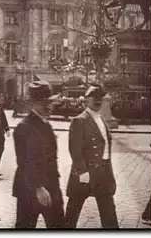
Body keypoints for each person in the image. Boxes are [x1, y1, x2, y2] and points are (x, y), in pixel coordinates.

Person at [65, 84, 119, 228]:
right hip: (85, 173)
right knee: (72, 214)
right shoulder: (79, 120)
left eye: (100, 98)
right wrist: (83, 172)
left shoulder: (101, 118)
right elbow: (75, 149)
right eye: (94, 98)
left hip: (103, 173)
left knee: (109, 214)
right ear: (86, 100)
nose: (98, 101)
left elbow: (105, 148)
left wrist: (109, 173)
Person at [12, 81, 64, 228]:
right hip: (30, 189)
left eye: (50, 102)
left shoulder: (46, 125)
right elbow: (25, 162)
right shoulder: (24, 127)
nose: (49, 106)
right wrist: (38, 188)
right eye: (43, 103)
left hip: (51, 187)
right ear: (32, 104)